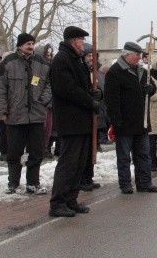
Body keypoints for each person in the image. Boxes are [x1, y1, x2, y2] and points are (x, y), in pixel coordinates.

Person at [49, 27, 101, 217]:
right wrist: (89, 101)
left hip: (82, 120)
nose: (83, 43)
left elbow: (83, 86)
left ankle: (71, 199)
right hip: (71, 120)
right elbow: (67, 89)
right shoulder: (62, 59)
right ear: (73, 40)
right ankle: (58, 202)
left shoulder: (75, 59)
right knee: (68, 163)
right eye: (81, 39)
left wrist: (94, 94)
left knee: (79, 163)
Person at [0, 33, 51, 195]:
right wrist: (3, 110)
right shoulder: (8, 62)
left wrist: (42, 101)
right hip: (15, 115)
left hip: (36, 115)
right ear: (20, 45)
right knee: (14, 152)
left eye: (32, 43)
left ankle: (33, 183)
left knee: (36, 152)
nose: (31, 46)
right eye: (27, 43)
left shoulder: (41, 62)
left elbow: (49, 84)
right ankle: (13, 182)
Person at [104, 42, 157, 194]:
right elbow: (111, 100)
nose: (140, 58)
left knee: (143, 154)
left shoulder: (142, 71)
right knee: (124, 156)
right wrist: (116, 121)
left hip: (141, 120)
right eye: (137, 55)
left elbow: (153, 87)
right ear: (127, 54)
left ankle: (144, 182)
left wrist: (151, 88)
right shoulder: (115, 72)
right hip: (124, 121)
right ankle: (125, 184)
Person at [79, 43, 105, 191]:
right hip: (84, 114)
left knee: (92, 150)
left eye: (93, 56)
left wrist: (99, 94)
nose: (91, 59)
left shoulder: (99, 73)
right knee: (84, 150)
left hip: (97, 114)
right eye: (88, 56)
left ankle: (89, 177)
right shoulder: (81, 71)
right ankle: (82, 178)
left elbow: (102, 91)